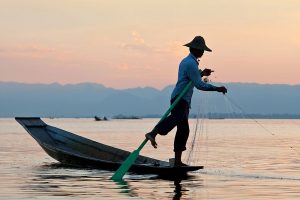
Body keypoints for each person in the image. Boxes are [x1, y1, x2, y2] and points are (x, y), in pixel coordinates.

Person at [145, 36, 227, 166]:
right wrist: (217, 88)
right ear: (194, 49)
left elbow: (192, 78)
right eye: (201, 50)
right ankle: (153, 133)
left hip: (183, 99)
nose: (203, 52)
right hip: (180, 98)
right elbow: (200, 85)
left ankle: (177, 161)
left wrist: (202, 73)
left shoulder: (189, 62)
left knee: (183, 130)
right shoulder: (190, 63)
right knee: (176, 118)